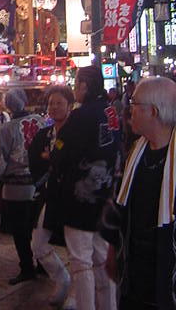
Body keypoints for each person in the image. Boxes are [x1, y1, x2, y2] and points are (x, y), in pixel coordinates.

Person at [101, 76, 176, 310]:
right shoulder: (136, 152)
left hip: (166, 272)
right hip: (134, 273)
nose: (128, 110)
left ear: (153, 111)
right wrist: (112, 250)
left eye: (134, 104)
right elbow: (118, 204)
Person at [51, 65, 119, 310]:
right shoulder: (111, 112)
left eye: (76, 83)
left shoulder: (80, 116)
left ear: (84, 86)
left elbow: (60, 151)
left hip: (80, 198)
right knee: (101, 259)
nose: (75, 88)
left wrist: (54, 158)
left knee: (81, 262)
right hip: (106, 196)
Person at [0, 87, 46, 285]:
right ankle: (44, 263)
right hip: (40, 184)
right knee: (39, 228)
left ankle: (27, 267)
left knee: (21, 232)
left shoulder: (5, 130)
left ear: (8, 106)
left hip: (15, 188)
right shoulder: (41, 121)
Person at [28, 85, 74, 307]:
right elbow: (35, 159)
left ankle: (75, 294)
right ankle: (62, 278)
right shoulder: (43, 135)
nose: (54, 107)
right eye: (51, 103)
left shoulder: (77, 133)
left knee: (76, 248)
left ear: (70, 106)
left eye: (59, 103)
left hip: (74, 196)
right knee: (38, 244)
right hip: (50, 194)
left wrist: (53, 158)